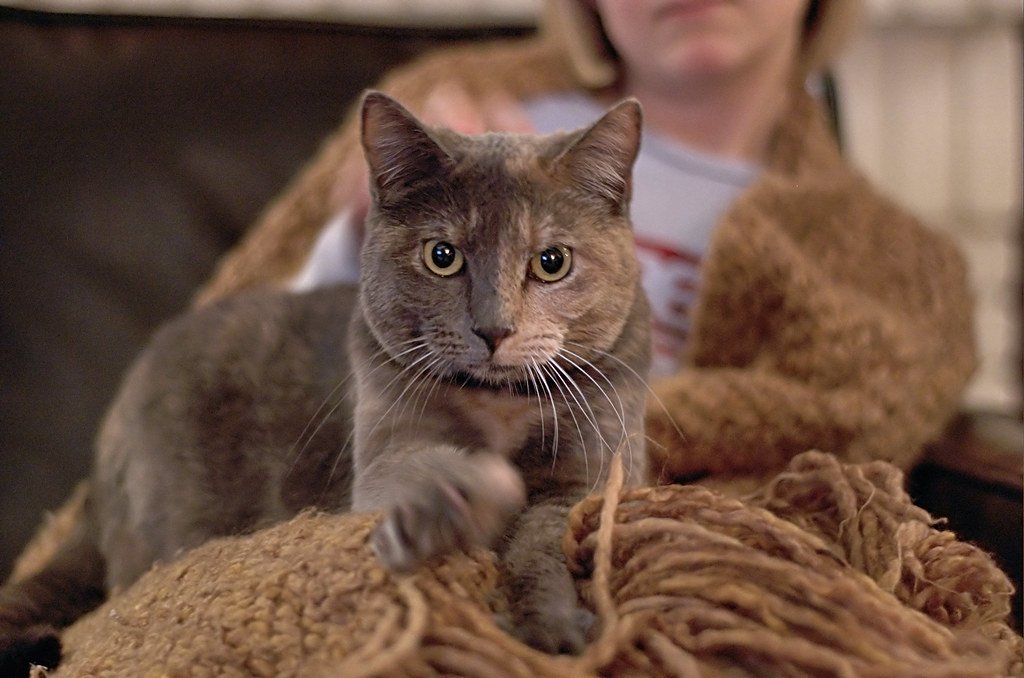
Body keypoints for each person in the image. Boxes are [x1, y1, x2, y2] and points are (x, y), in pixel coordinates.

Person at [199, 0, 976, 484]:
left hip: (642, 537)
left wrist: (583, 441)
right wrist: (356, 236)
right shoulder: (443, 104)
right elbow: (229, 366)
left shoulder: (899, 262)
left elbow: (837, 432)